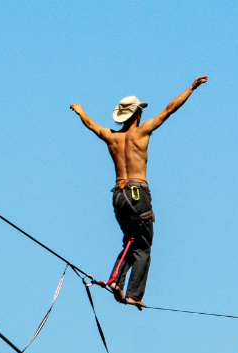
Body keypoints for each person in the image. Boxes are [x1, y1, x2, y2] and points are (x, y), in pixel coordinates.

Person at [69, 76, 208, 309]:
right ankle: (134, 293)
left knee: (130, 242)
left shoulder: (111, 137)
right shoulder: (142, 133)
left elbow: (91, 124)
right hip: (137, 192)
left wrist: (80, 110)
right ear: (138, 114)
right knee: (143, 246)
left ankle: (116, 282)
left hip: (118, 196)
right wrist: (191, 88)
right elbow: (169, 109)